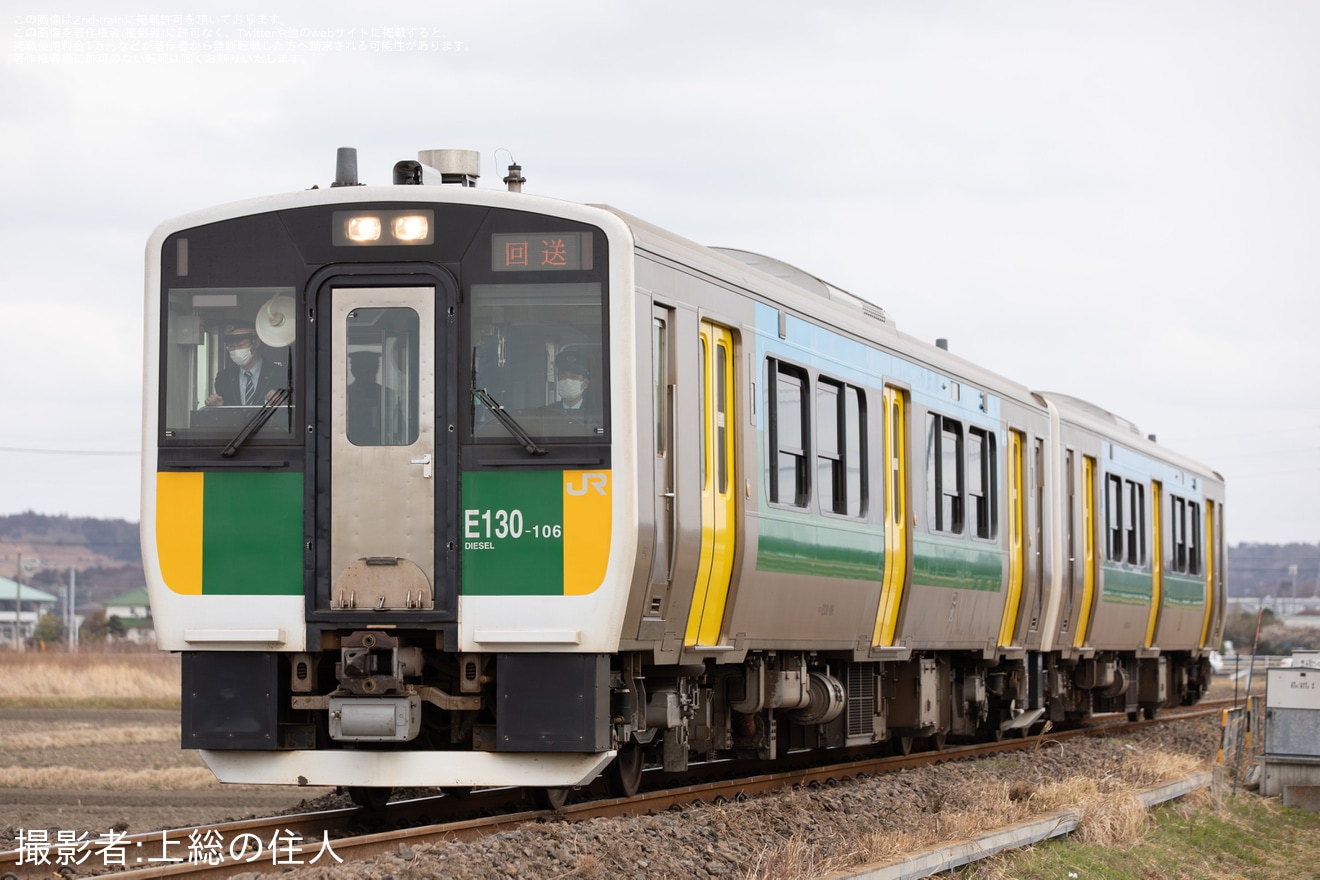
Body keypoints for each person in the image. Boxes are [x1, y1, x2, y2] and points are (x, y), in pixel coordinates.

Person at [206, 325, 286, 407]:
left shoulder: (280, 374)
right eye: (231, 346)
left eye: (240, 345)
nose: (236, 351)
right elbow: (223, 413)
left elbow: (292, 410)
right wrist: (219, 406)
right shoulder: (223, 377)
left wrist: (282, 402)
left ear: (256, 343)